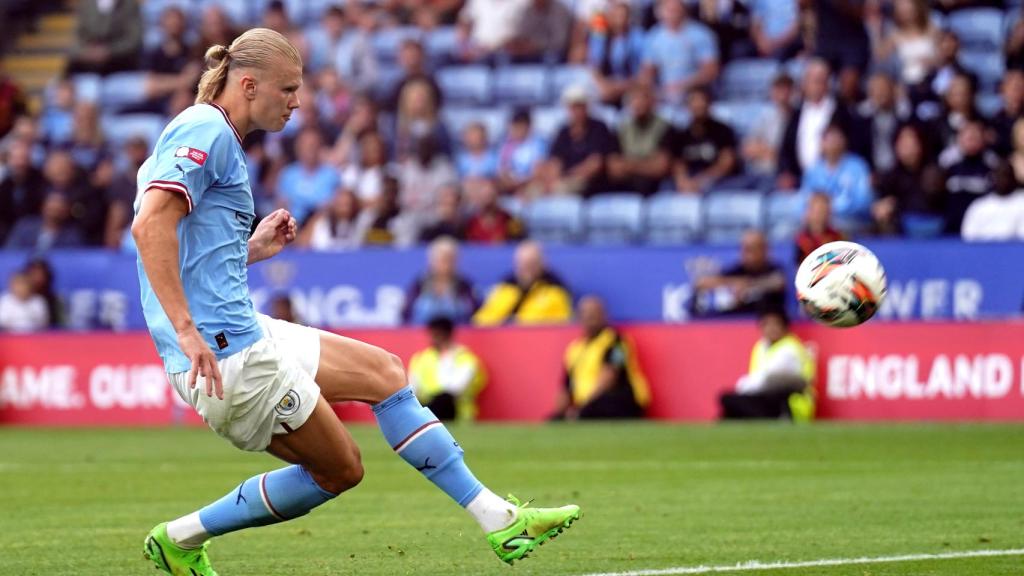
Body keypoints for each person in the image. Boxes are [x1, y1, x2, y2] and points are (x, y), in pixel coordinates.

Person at [131, 29, 579, 576]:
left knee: (386, 372)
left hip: (239, 333)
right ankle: (181, 537)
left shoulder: (205, 132)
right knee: (340, 469)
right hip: (229, 358)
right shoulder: (207, 129)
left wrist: (250, 250)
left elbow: (190, 255)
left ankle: (499, 518)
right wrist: (185, 329)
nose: (298, 102)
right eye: (288, 89)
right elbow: (150, 224)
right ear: (248, 85)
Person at [552, 296, 649, 420]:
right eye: (585, 315)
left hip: (619, 400)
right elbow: (566, 386)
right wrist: (559, 413)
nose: (589, 319)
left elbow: (608, 378)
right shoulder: (575, 349)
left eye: (593, 314)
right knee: (556, 420)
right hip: (586, 406)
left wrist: (582, 409)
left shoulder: (617, 342)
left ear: (603, 315)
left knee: (602, 405)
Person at [719, 307, 815, 421]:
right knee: (730, 406)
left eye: (776, 324)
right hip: (765, 399)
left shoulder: (790, 348)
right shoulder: (761, 346)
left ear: (785, 327)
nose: (771, 329)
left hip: (792, 407)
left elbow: (767, 381)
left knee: (729, 400)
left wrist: (743, 386)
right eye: (766, 324)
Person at [540, 85, 617, 197]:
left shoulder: (599, 128)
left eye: (579, 106)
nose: (576, 110)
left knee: (560, 189)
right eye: (573, 106)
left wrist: (567, 176)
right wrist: (552, 179)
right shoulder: (563, 131)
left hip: (589, 182)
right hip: (564, 179)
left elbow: (595, 164)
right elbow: (555, 161)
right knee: (534, 190)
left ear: (586, 106)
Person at [473, 240, 572, 325]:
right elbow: (481, 320)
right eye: (522, 263)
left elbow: (561, 325)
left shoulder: (556, 292)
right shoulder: (504, 289)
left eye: (531, 263)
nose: (526, 268)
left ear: (542, 264)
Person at [408, 316, 487, 421]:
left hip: (457, 415)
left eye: (437, 334)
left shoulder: (465, 358)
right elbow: (412, 389)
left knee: (444, 399)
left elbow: (457, 388)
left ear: (447, 334)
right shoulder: (421, 358)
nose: (433, 338)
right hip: (428, 411)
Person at [640, 0, 719, 104]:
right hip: (664, 93)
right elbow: (647, 72)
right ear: (659, 12)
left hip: (695, 92)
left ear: (684, 11)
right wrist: (651, 90)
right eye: (669, 10)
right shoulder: (654, 36)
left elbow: (711, 71)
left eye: (676, 10)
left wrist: (682, 86)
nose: (673, 14)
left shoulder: (701, 34)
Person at [691, 230, 786, 317]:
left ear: (764, 250)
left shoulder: (774, 269)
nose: (746, 254)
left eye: (751, 249)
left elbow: (778, 283)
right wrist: (733, 284)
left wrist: (748, 286)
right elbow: (701, 283)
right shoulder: (736, 270)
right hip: (735, 324)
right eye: (744, 249)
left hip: (765, 324)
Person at [607, 83, 672, 197]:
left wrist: (629, 165)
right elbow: (614, 168)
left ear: (652, 102)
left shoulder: (665, 128)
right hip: (625, 184)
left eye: (642, 99)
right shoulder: (622, 128)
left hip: (653, 186)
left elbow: (660, 168)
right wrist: (645, 165)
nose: (638, 104)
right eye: (634, 99)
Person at [798, 124, 874, 222]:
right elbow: (804, 199)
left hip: (850, 218)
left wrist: (829, 208)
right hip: (818, 220)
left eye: (837, 139)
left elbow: (863, 200)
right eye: (829, 140)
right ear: (822, 143)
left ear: (844, 141)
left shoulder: (857, 166)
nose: (834, 143)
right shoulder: (813, 170)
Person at [671, 86, 739, 193]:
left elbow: (726, 163)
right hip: (690, 179)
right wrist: (682, 181)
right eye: (694, 101)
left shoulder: (723, 131)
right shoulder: (682, 134)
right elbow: (678, 163)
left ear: (709, 104)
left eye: (702, 100)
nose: (698, 105)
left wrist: (701, 181)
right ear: (687, 106)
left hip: (717, 181)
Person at [939, 120, 999, 234]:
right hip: (951, 226)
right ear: (959, 139)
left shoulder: (992, 164)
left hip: (982, 226)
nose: (971, 141)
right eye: (968, 137)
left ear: (983, 139)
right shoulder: (947, 163)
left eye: (975, 137)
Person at [403, 237, 479, 325]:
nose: (447, 264)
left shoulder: (464, 285)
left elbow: (475, 315)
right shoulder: (420, 283)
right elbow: (406, 313)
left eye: (451, 260)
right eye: (443, 259)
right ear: (432, 260)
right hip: (420, 334)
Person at [277, 127, 340, 224]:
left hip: (320, 227)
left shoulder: (332, 175)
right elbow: (281, 205)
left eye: (314, 146)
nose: (310, 150)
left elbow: (331, 208)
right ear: (298, 148)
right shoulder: (287, 174)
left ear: (320, 148)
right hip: (292, 225)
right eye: (306, 146)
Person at [587, 1, 646, 105]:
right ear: (609, 17)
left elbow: (643, 69)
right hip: (607, 85)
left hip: (630, 85)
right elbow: (594, 66)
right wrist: (604, 85)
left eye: (623, 16)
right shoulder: (599, 36)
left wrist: (622, 86)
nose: (620, 20)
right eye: (616, 15)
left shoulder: (638, 37)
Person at [67, 0, 143, 75]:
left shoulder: (129, 5)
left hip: (122, 65)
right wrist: (87, 51)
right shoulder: (86, 4)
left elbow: (134, 39)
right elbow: (78, 36)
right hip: (88, 65)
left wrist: (109, 51)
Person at [961, 162, 1024, 242]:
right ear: (993, 178)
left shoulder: (1022, 202)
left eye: (1006, 175)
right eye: (999, 176)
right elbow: (968, 236)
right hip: (983, 252)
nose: (1002, 180)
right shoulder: (979, 206)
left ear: (1013, 177)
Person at [5, 192, 85, 251]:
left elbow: (74, 257)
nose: (54, 213)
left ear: (66, 212)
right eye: (51, 209)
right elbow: (10, 252)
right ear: (43, 208)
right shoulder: (25, 226)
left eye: (59, 210)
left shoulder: (73, 235)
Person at [464, 177, 526, 244]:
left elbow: (518, 243)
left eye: (490, 195)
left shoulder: (510, 220)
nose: (487, 201)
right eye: (484, 196)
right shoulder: (470, 223)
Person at [795, 192, 845, 265]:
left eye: (823, 211)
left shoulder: (837, 238)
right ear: (808, 212)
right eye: (817, 211)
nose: (820, 216)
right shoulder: (799, 240)